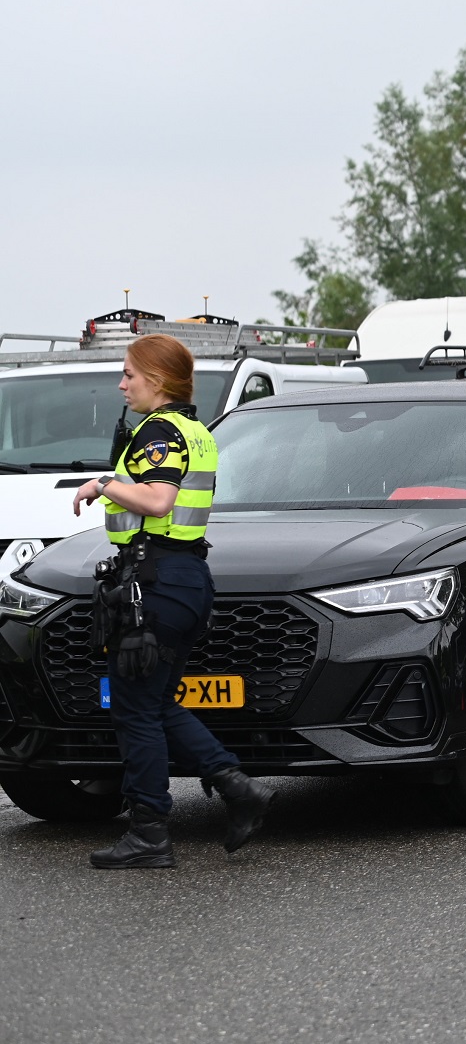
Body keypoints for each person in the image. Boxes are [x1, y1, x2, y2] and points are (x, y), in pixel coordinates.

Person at [69, 333, 273, 868]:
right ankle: (238, 789)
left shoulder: (159, 430)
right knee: (154, 702)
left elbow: (158, 498)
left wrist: (103, 484)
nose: (121, 384)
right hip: (185, 579)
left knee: (134, 710)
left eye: (129, 375)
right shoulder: (196, 430)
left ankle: (150, 834)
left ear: (156, 380)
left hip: (155, 580)